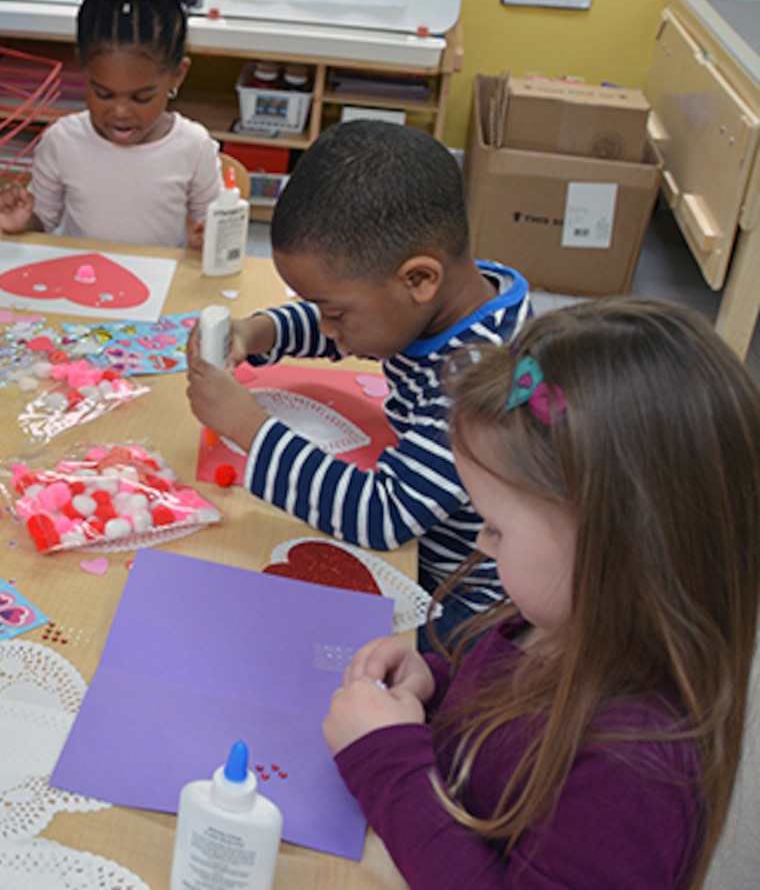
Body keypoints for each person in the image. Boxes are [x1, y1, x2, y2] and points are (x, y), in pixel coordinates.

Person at [323, 299, 760, 888]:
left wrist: (386, 760)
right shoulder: (548, 624)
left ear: (614, 543)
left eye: (497, 526)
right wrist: (433, 687)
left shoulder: (636, 773)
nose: (482, 539)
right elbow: (496, 736)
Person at [184, 120, 531, 641]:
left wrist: (248, 426)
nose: (327, 329)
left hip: (466, 606)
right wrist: (258, 331)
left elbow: (382, 515)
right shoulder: (457, 294)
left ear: (419, 279)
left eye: (335, 313)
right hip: (435, 555)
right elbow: (359, 329)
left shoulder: (481, 382)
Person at [0, 0, 222, 250]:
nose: (121, 111)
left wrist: (208, 239)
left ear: (177, 75)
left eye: (141, 97)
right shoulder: (62, 142)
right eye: (103, 94)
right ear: (82, 67)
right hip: (80, 288)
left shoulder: (194, 148)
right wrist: (21, 222)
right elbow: (45, 222)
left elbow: (216, 229)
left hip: (160, 296)